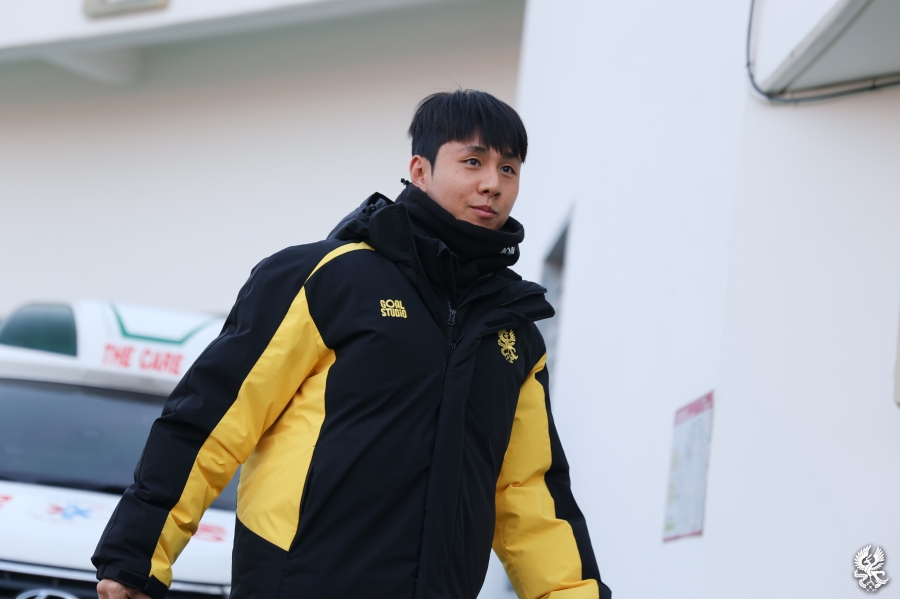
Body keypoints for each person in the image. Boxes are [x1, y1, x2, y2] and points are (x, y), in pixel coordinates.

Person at [93, 89, 611, 599]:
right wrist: (137, 557)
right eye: (473, 161)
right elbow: (213, 422)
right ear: (420, 170)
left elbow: (529, 494)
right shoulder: (327, 280)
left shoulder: (513, 331)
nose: (492, 184)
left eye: (508, 169)